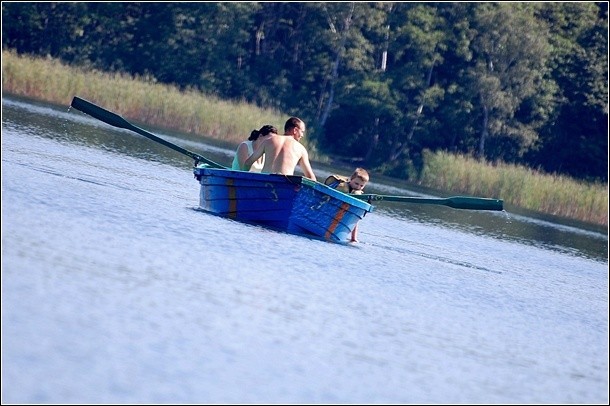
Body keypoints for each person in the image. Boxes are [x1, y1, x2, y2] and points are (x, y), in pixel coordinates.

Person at [242, 117, 316, 181]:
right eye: (302, 132)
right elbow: (310, 177)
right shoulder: (301, 149)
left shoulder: (269, 140)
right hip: (283, 185)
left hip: (263, 182)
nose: (302, 135)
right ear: (295, 130)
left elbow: (248, 163)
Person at [324, 167, 370, 242]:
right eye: (356, 183)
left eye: (361, 186)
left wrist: (353, 238)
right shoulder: (341, 186)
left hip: (343, 215)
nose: (358, 187)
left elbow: (355, 218)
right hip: (331, 209)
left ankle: (354, 237)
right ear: (351, 179)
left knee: (355, 212)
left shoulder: (357, 194)